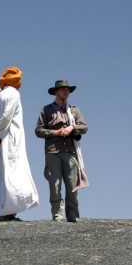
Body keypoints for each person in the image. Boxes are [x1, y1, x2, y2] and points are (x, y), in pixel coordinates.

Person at [0, 67, 39, 220]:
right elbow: (6, 118)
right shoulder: (14, 94)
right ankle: (8, 211)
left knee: (1, 175)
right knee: (13, 173)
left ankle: (1, 211)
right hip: (10, 139)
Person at [35, 79, 88, 222]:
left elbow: (84, 127)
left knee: (72, 185)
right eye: (63, 89)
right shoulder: (46, 110)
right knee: (55, 185)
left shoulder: (74, 110)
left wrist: (72, 127)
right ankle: (58, 215)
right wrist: (56, 133)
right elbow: (38, 131)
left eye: (68, 90)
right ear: (56, 92)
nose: (66, 92)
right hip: (53, 152)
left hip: (70, 151)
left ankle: (73, 215)